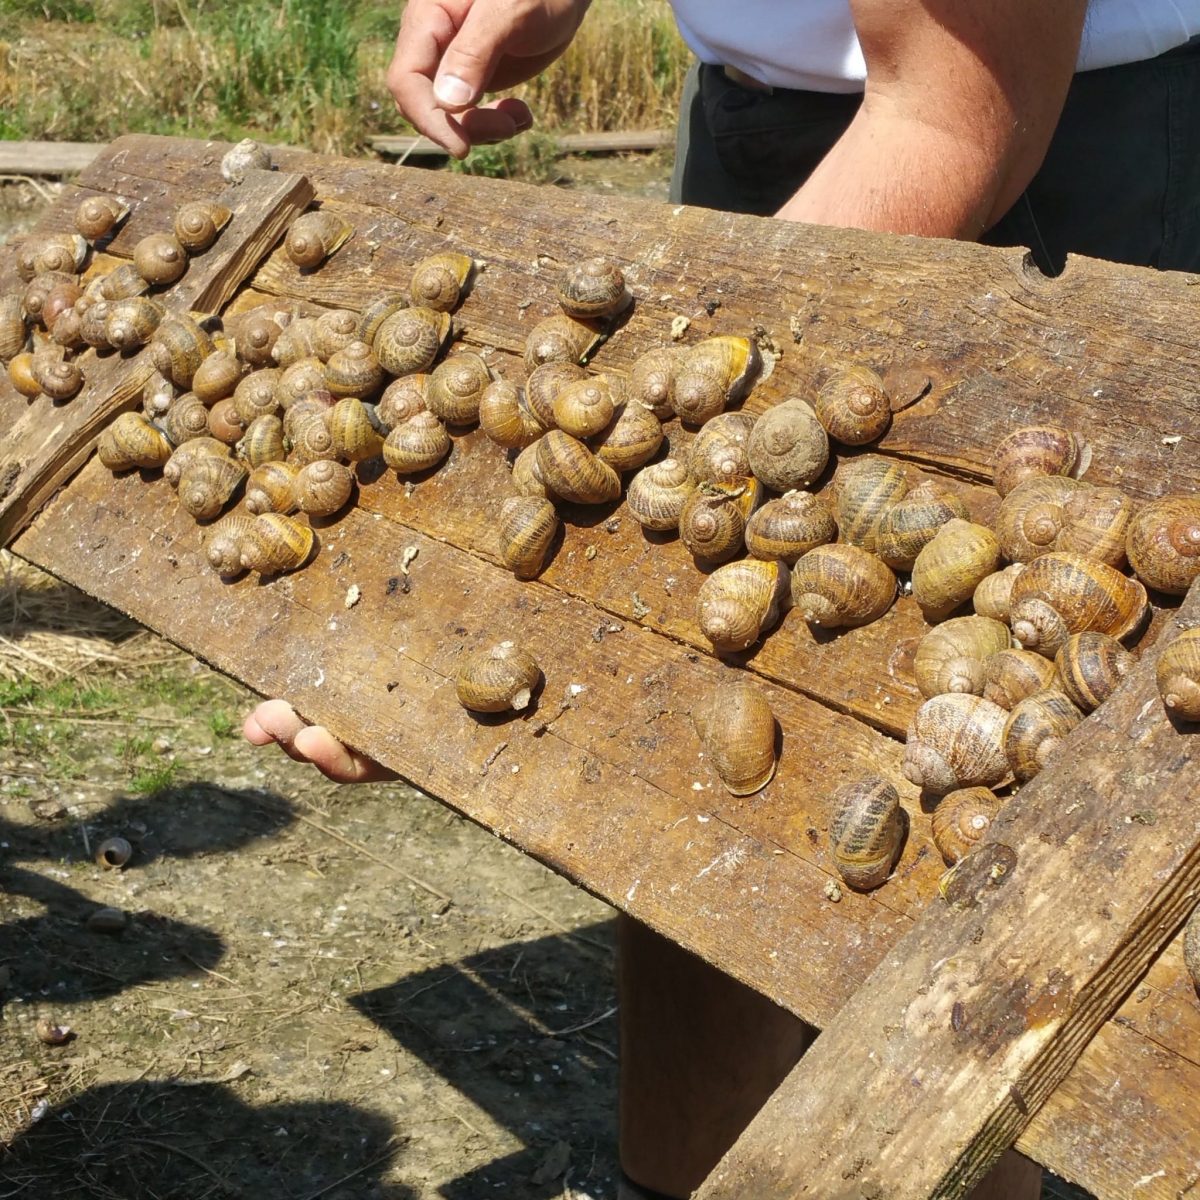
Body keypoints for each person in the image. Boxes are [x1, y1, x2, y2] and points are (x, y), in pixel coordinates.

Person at [249, 2, 1200, 1195]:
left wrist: (475, 600)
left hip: (1033, 146)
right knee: (697, 791)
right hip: (756, 121)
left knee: (962, 886)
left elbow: (961, 110)